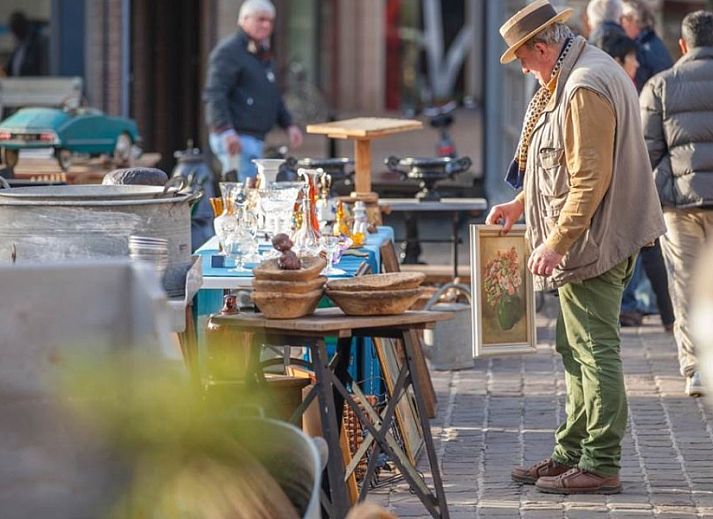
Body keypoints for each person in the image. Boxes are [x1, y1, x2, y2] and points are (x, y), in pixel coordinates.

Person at [492, 0, 665, 494]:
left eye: (523, 59)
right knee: (575, 348)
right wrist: (520, 204)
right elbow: (557, 162)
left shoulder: (583, 85)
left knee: (594, 351)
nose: (522, 68)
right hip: (587, 237)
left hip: (594, 241)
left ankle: (601, 462)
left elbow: (589, 180)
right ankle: (573, 451)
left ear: (543, 48)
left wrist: (555, 241)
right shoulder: (568, 74)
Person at [640, 10, 713, 398]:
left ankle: (696, 368)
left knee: (685, 284)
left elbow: (645, 151)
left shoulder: (660, 85)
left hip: (680, 205)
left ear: (683, 45)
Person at [600, 34, 676, 332]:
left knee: (646, 249)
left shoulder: (633, 86)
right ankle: (663, 316)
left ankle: (662, 315)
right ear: (619, 60)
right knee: (646, 249)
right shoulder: (620, 87)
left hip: (634, 180)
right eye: (632, 59)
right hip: (630, 180)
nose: (637, 63)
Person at [203, 0, 302, 182]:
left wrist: (289, 125)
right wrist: (226, 131)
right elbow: (215, 94)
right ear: (244, 20)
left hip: (254, 137)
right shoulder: (229, 52)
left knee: (253, 194)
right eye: (260, 19)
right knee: (246, 196)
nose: (266, 25)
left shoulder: (262, 54)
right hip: (237, 138)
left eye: (270, 21)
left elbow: (272, 95)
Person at [621, 0, 673, 90]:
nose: (621, 24)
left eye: (622, 19)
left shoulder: (642, 50)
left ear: (633, 20)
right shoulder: (654, 42)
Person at [1, 11, 48, 77]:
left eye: (16, 29)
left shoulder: (37, 44)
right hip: (16, 84)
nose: (14, 34)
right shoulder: (18, 47)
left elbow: (42, 69)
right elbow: (11, 69)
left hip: (32, 84)